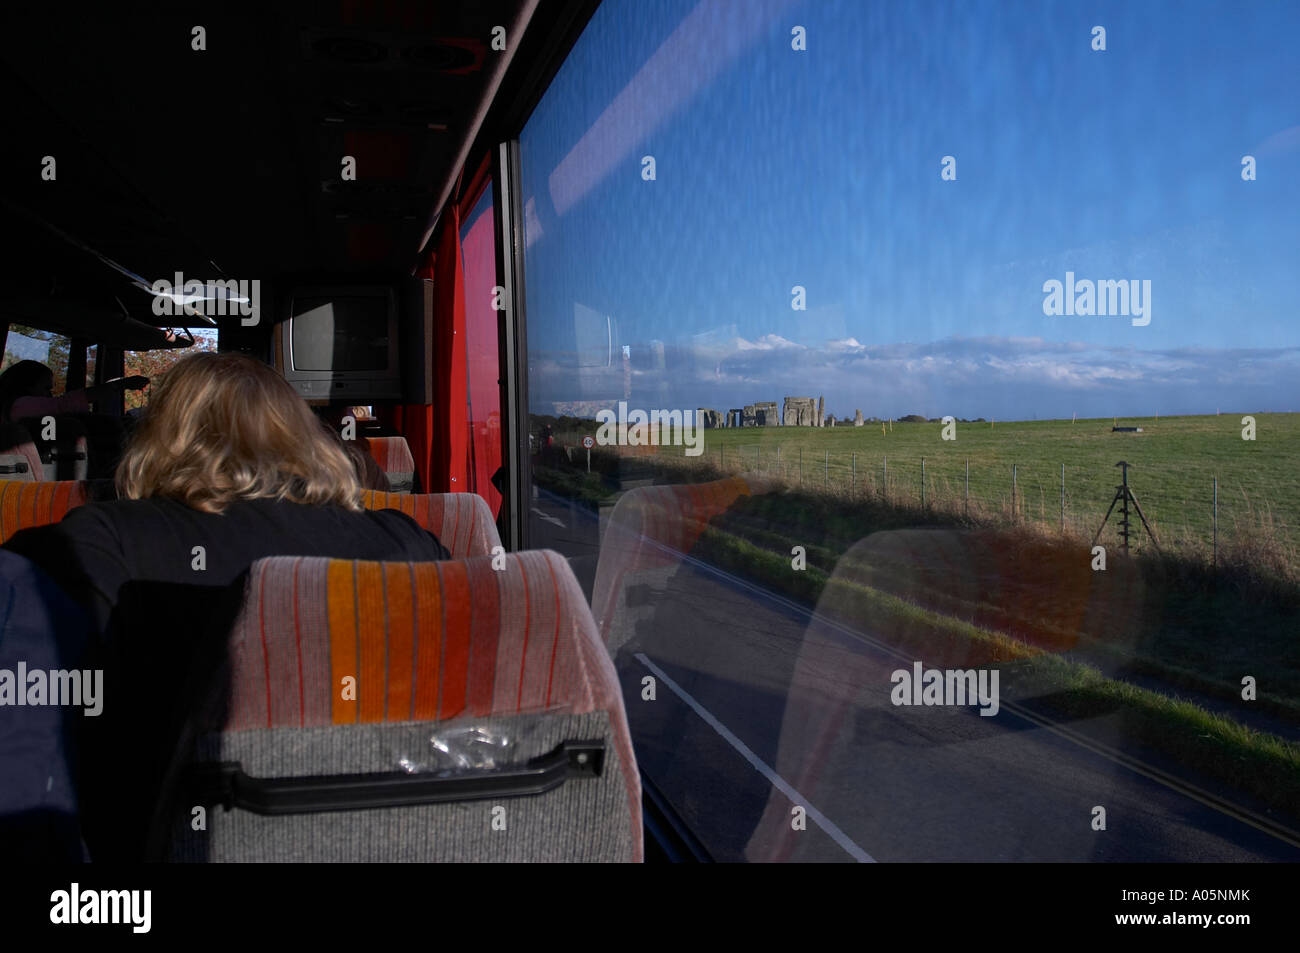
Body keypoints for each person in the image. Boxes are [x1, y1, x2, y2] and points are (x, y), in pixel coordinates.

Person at [3, 352, 450, 860]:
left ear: (157, 438)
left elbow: (25, 786)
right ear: (305, 439)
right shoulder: (409, 545)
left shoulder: (81, 552)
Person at [0, 359, 147, 423]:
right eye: (45, 388)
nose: (49, 395)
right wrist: (122, 384)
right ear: (26, 384)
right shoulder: (18, 407)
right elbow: (63, 404)